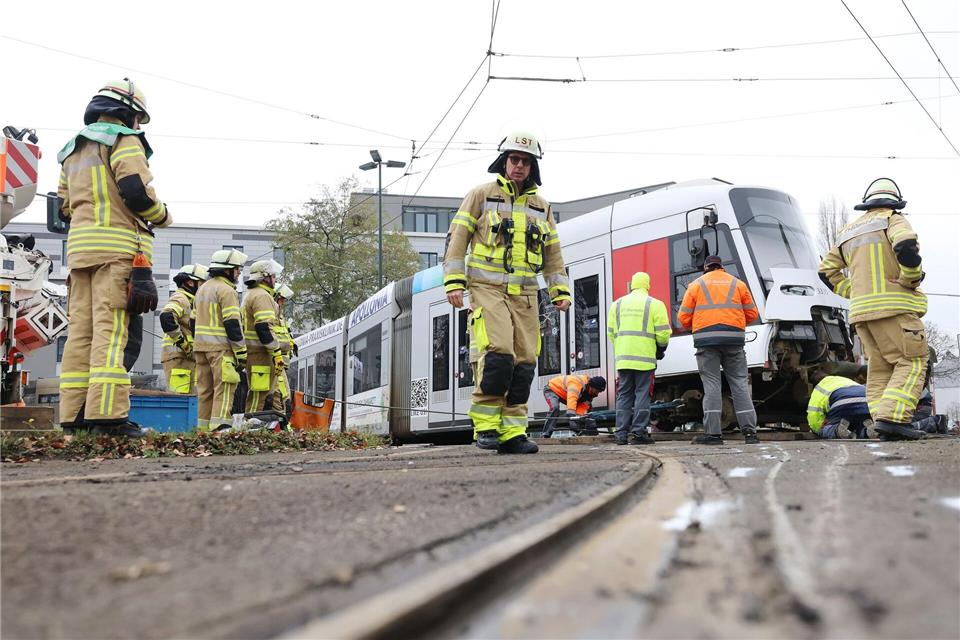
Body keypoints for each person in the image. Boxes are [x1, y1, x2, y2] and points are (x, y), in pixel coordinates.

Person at [442, 131, 571, 454]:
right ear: (504, 161)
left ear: (532, 167)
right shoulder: (480, 195)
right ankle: (486, 427)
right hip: (487, 290)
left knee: (525, 363)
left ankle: (513, 432)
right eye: (514, 159)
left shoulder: (542, 207)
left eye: (525, 162)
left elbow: (553, 256)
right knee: (499, 353)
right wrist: (454, 283)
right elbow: (457, 241)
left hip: (526, 295)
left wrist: (559, 291)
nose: (519, 166)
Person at [56, 78, 172, 437]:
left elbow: (64, 208)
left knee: (81, 335)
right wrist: (162, 215)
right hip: (118, 252)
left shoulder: (72, 150)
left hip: (79, 254)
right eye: (138, 117)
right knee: (111, 333)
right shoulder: (123, 140)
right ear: (128, 112)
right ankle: (108, 418)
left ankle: (74, 417)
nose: (138, 125)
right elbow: (136, 192)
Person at [819, 178, 928, 440]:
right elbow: (906, 247)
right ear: (895, 203)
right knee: (912, 361)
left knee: (879, 368)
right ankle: (894, 419)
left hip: (862, 314)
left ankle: (882, 422)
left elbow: (826, 271)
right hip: (895, 308)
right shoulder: (893, 220)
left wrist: (851, 291)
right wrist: (910, 279)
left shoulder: (848, 231)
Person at [678, 255, 760, 445]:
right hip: (734, 339)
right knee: (739, 384)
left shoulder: (696, 285)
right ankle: (750, 433)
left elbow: (683, 318)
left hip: (706, 341)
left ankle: (714, 435)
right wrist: (734, 325)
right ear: (722, 267)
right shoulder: (738, 284)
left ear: (706, 268)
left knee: (712, 385)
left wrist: (699, 326)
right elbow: (752, 314)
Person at [608, 272, 672, 445]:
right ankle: (639, 433)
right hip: (645, 359)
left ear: (632, 285)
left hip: (623, 359)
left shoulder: (617, 304)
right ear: (647, 285)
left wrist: (623, 348)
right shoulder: (655, 304)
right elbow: (664, 334)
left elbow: (611, 333)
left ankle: (620, 434)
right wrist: (660, 348)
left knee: (624, 395)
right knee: (642, 394)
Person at [194, 249, 248, 431]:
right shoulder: (226, 290)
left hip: (200, 349)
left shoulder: (202, 289)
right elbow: (232, 324)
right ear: (227, 270)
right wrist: (241, 352)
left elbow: (194, 320)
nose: (239, 273)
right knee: (224, 391)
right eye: (237, 269)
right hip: (220, 350)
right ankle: (220, 431)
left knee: (205, 393)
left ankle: (202, 432)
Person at [241, 260, 285, 413]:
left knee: (261, 394)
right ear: (265, 277)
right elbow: (264, 327)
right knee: (259, 397)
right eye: (273, 276)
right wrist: (276, 353)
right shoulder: (261, 296)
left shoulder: (252, 294)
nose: (276, 279)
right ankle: (250, 427)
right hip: (260, 355)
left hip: (256, 354)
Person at [159, 264, 207, 394]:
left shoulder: (192, 301)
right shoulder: (181, 298)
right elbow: (166, 317)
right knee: (180, 400)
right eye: (202, 283)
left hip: (186, 359)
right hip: (178, 358)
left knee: (191, 398)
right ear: (191, 282)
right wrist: (183, 343)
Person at [806, 373, 874, 438]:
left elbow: (813, 414)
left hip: (842, 403)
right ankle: (869, 430)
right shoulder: (844, 380)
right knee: (859, 423)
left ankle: (837, 430)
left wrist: (817, 429)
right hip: (865, 400)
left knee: (824, 429)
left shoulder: (819, 388)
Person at [541, 375, 606, 438]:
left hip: (564, 393)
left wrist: (578, 422)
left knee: (588, 409)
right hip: (552, 389)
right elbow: (572, 400)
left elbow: (581, 409)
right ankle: (545, 434)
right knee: (555, 407)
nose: (597, 394)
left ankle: (584, 432)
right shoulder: (576, 384)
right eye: (597, 391)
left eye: (599, 392)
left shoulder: (589, 394)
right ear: (592, 386)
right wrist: (571, 417)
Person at [271, 284, 296, 414]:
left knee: (284, 397)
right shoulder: (271, 316)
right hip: (275, 364)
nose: (283, 303)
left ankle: (282, 425)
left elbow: (284, 335)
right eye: (281, 299)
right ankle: (281, 426)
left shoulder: (281, 318)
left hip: (281, 366)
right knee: (281, 397)